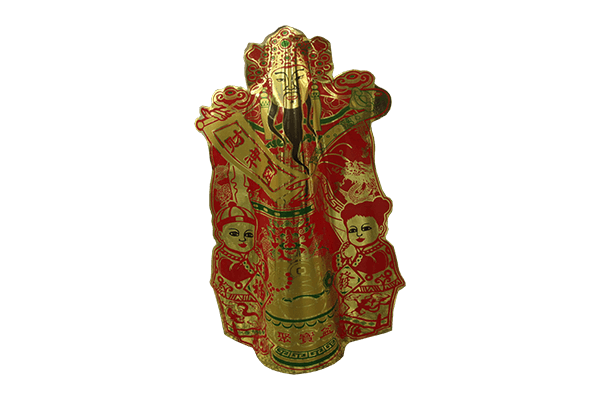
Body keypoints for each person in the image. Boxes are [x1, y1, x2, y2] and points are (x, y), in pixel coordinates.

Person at [335, 197, 406, 339]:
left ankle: (372, 325)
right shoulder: (349, 247)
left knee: (373, 315)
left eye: (366, 228)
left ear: (380, 228)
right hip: (352, 294)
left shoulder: (382, 248)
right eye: (353, 230)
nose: (359, 234)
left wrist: (354, 257)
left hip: (378, 292)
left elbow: (375, 265)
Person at [210, 203, 270, 354]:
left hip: (255, 300)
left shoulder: (253, 253)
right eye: (234, 233)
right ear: (220, 235)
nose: (242, 239)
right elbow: (232, 273)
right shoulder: (223, 255)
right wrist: (250, 263)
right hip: (236, 302)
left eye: (248, 235)